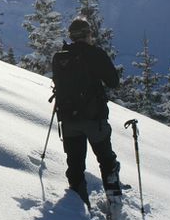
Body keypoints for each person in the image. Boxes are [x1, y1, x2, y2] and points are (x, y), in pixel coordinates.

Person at [52, 17, 122, 208]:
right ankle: (114, 201)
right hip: (94, 119)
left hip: (68, 120)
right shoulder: (95, 54)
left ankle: (79, 209)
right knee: (106, 161)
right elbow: (113, 82)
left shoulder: (60, 57)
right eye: (90, 33)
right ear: (86, 34)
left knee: (75, 166)